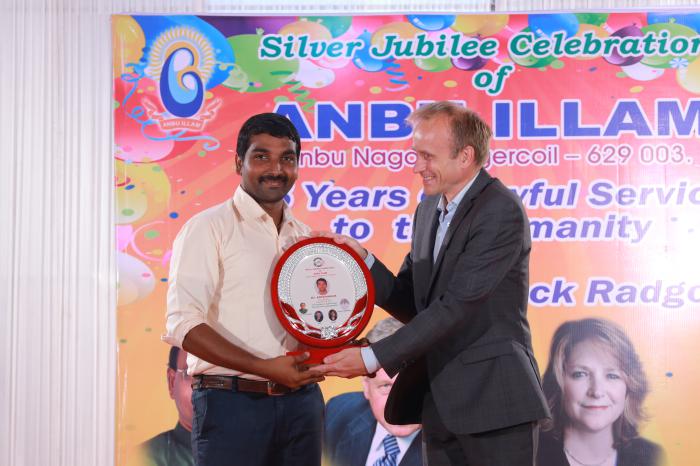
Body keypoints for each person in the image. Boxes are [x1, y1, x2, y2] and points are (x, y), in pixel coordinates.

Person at [315, 101, 550, 465]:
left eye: (427, 156)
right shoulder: (428, 209)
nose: (416, 166)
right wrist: (363, 262)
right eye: (416, 154)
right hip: (439, 402)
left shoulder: (499, 210)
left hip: (495, 405)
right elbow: (414, 302)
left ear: (465, 156)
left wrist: (370, 358)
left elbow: (456, 306)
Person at [164, 113, 325, 466]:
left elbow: (315, 321)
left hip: (302, 404)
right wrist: (264, 367)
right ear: (239, 162)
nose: (276, 169)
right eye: (262, 156)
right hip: (231, 407)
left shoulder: (305, 238)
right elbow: (183, 325)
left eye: (287, 158)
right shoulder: (208, 228)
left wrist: (342, 346)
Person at [537, 318, 665, 466]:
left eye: (612, 376)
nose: (597, 392)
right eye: (580, 374)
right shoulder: (529, 455)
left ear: (630, 388)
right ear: (558, 383)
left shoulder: (651, 456)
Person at [325, 318, 422, 466]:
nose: (400, 404)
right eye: (386, 386)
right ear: (366, 386)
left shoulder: (455, 446)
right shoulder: (337, 411)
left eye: (412, 387)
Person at [139, 346, 194, 466]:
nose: (205, 388)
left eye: (217, 376)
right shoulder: (141, 458)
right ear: (172, 382)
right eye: (190, 373)